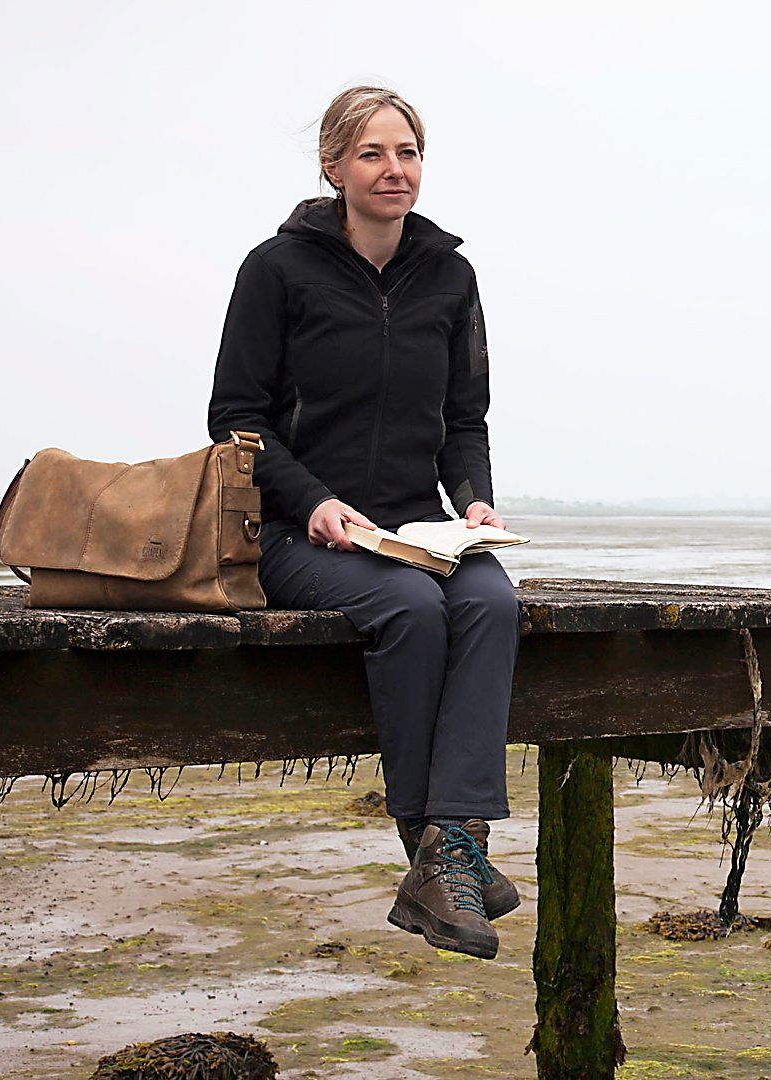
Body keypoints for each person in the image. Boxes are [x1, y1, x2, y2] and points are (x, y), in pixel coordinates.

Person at [207, 85, 518, 960]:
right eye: (374, 154)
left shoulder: (450, 276)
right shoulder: (276, 270)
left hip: (419, 525)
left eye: (407, 152)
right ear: (334, 166)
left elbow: (464, 419)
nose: (394, 170)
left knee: (492, 603)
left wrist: (475, 501)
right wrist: (312, 501)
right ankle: (440, 849)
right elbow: (236, 416)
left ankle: (446, 846)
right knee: (411, 612)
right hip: (293, 532)